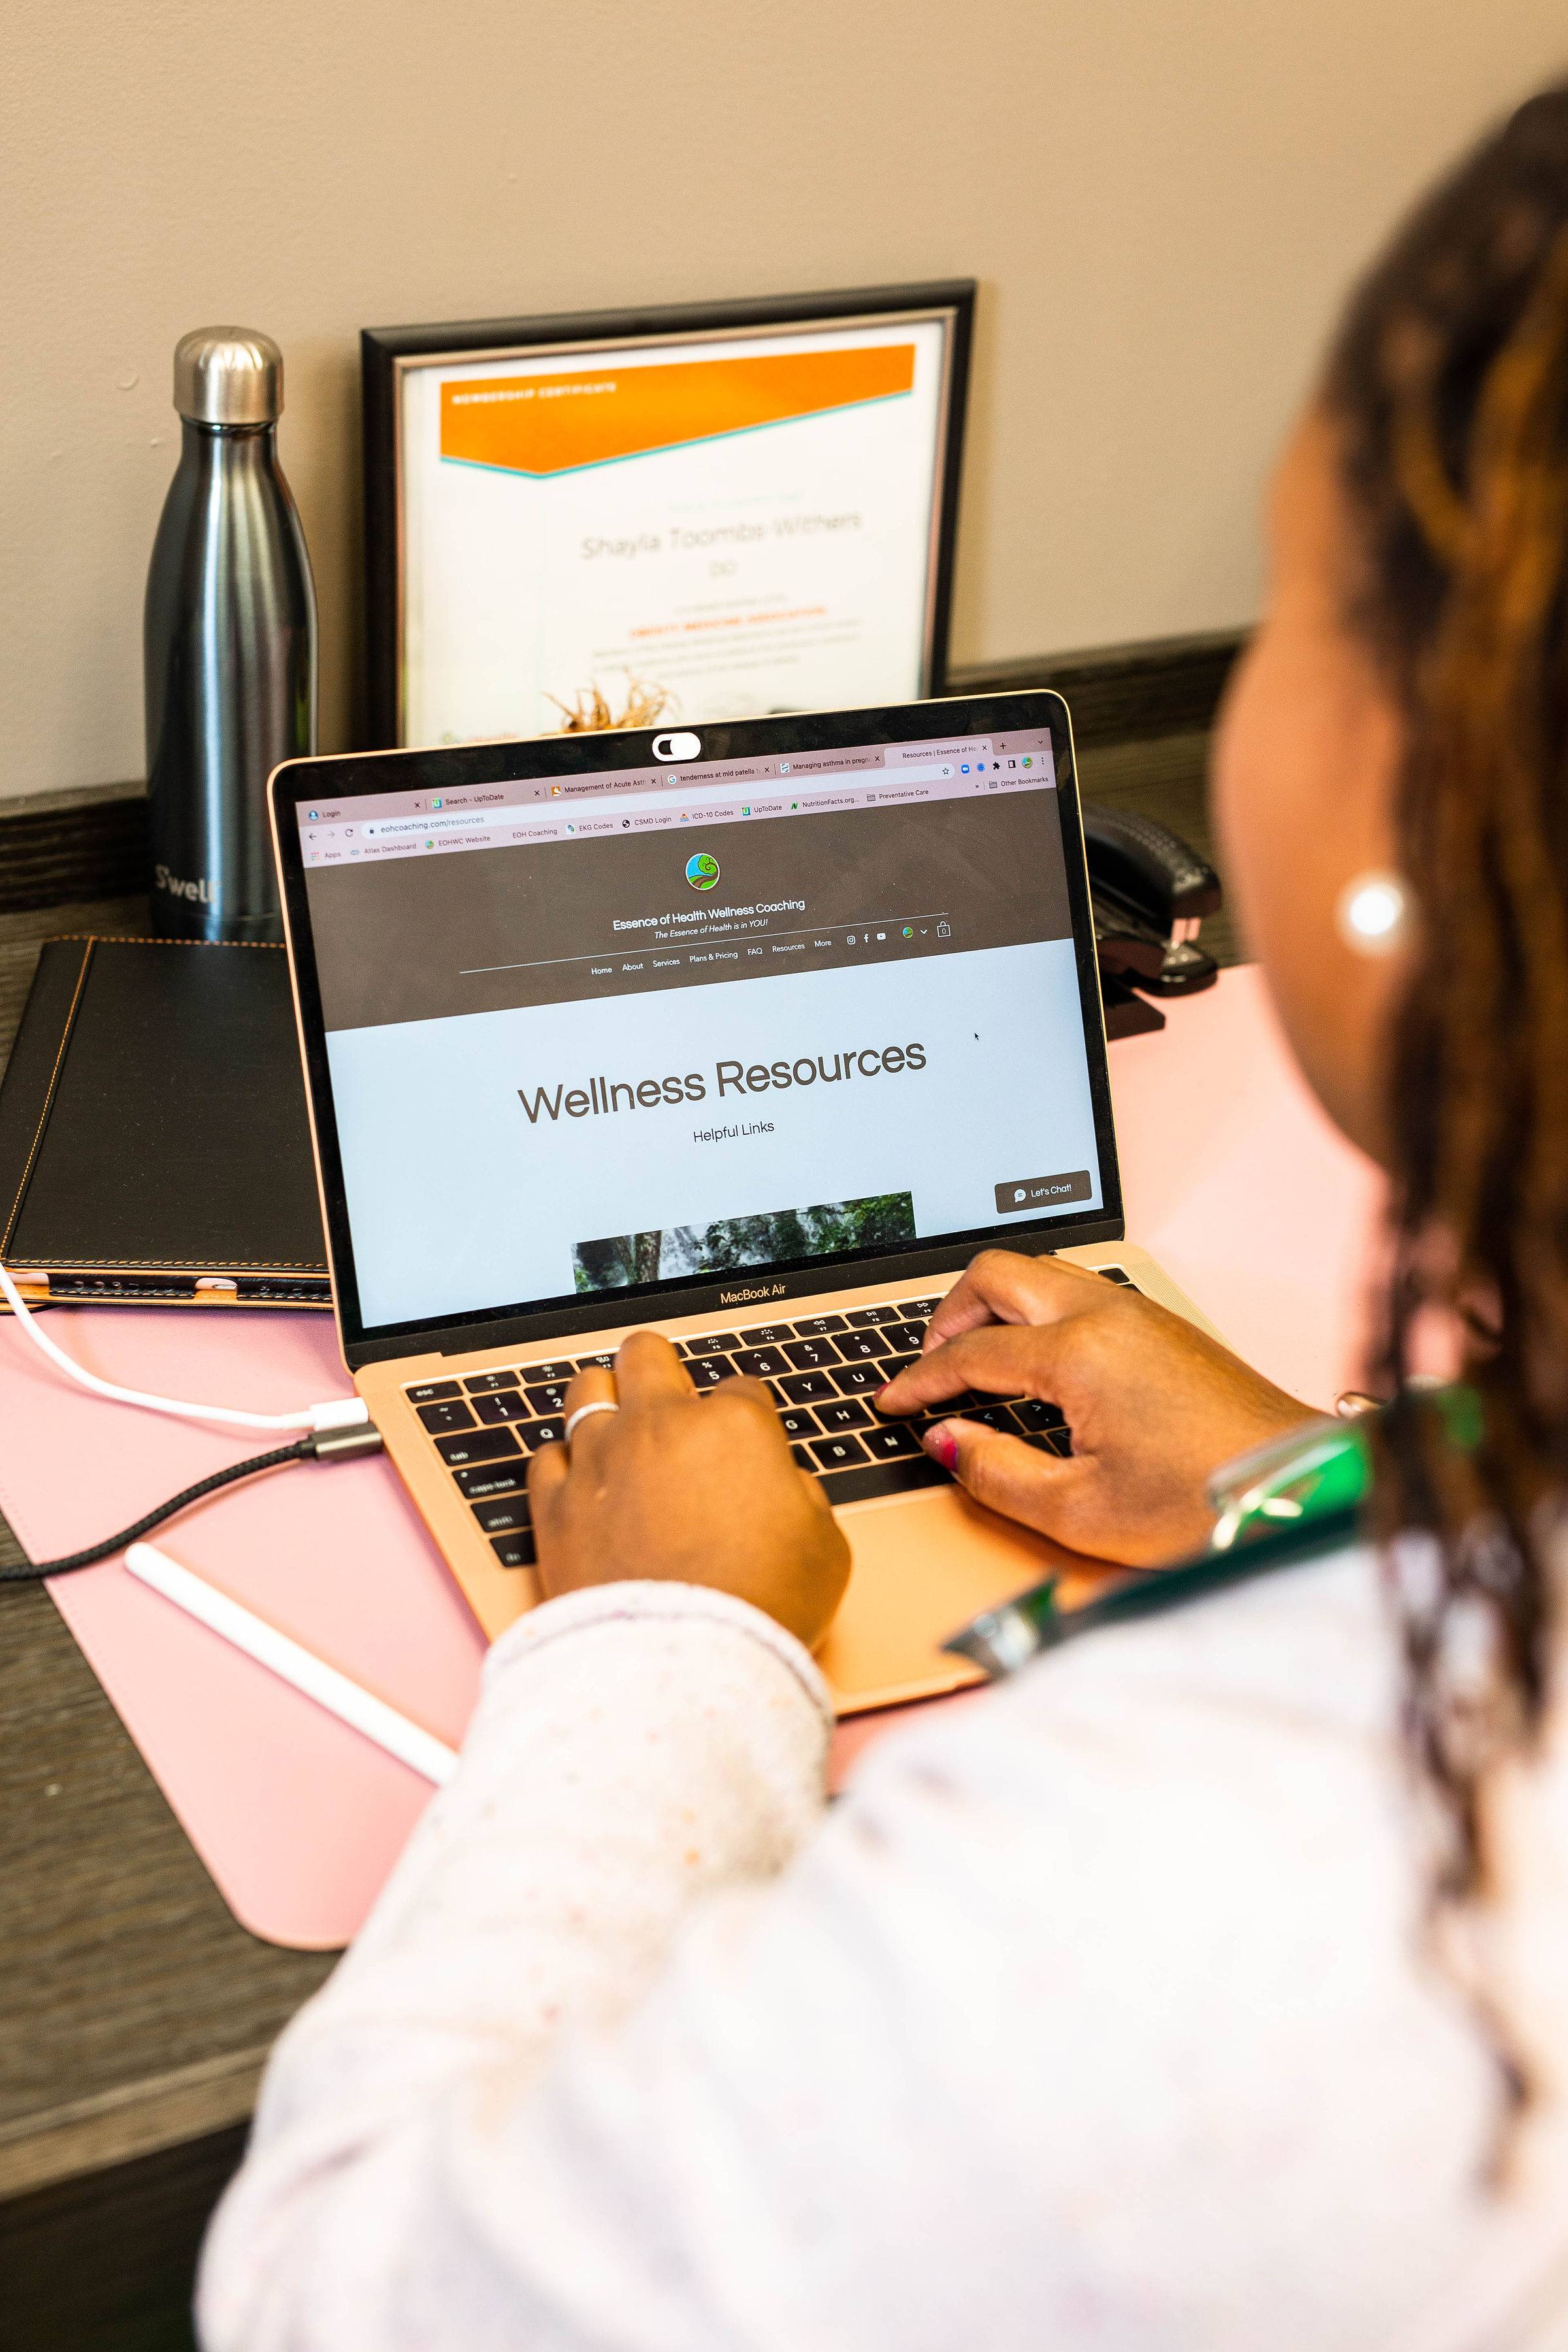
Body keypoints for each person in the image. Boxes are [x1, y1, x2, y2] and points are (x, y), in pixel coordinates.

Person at [201, 84, 1568, 2351]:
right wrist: (1293, 1483)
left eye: (1290, 611)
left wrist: (664, 1641)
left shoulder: (1211, 1869)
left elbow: (347, 2298)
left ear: (1435, 805)